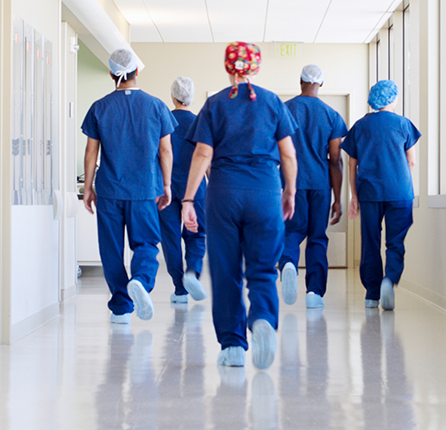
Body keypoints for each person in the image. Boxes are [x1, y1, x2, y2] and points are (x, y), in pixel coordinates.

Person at [181, 42, 298, 370]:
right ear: (255, 68)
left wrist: (188, 199)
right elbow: (288, 153)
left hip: (224, 193)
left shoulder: (215, 104)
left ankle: (232, 345)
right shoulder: (273, 102)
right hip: (265, 190)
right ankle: (261, 317)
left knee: (226, 269)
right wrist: (289, 191)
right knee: (262, 267)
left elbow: (203, 154)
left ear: (228, 67)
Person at [81, 49, 177, 323]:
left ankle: (121, 308)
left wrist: (88, 187)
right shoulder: (156, 106)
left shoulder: (99, 107)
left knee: (111, 249)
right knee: (146, 243)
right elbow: (166, 151)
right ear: (137, 71)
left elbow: (91, 153)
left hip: (109, 190)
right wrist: (167, 185)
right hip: (145, 189)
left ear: (112, 74)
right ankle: (141, 280)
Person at [341, 80, 420, 311]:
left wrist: (354, 195)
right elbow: (411, 160)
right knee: (395, 242)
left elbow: (352, 164)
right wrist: (402, 182)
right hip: (399, 192)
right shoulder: (403, 124)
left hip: (369, 192)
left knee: (370, 242)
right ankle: (389, 279)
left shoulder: (360, 126)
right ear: (392, 99)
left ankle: (372, 294)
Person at [278, 65, 347, 309]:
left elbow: (275, 151)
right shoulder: (331, 115)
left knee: (292, 232)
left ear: (300, 82)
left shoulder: (284, 110)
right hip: (320, 184)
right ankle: (314, 293)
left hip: (291, 183)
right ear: (321, 84)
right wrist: (338, 198)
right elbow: (336, 160)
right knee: (317, 237)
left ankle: (287, 263)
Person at [157, 76, 207, 304]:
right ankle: (192, 273)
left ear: (173, 96)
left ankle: (179, 289)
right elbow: (206, 157)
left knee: (170, 238)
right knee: (196, 234)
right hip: (195, 189)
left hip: (165, 187)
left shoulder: (162, 120)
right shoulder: (200, 122)